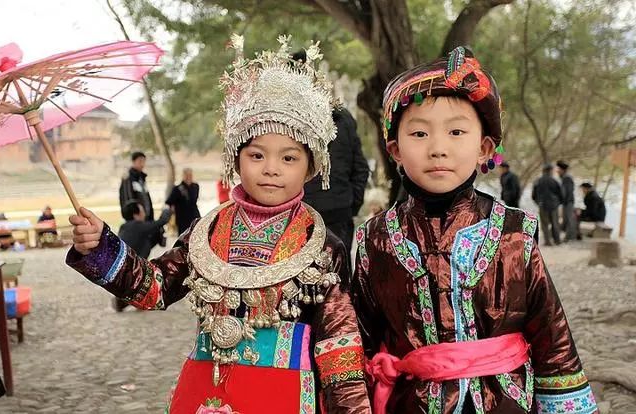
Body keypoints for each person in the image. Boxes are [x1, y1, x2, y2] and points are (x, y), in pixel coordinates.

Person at [66, 35, 369, 413]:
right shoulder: (206, 233)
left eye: (289, 158)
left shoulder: (323, 246)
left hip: (285, 395)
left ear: (311, 168)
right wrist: (98, 245)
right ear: (235, 161)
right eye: (256, 154)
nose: (271, 168)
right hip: (205, 393)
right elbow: (153, 288)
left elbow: (340, 345)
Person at [352, 47, 596, 414]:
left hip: (504, 403)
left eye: (456, 131)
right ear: (395, 149)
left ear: (484, 148)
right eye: (418, 133)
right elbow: (361, 338)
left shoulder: (513, 233)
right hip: (411, 404)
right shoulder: (376, 239)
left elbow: (551, 334)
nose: (438, 148)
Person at [292, 50, 370, 257]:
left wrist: (349, 204)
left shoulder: (339, 118)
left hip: (306, 213)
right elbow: (361, 169)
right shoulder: (343, 115)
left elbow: (359, 167)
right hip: (332, 210)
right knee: (337, 278)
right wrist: (352, 203)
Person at [112, 201, 172, 312]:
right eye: (142, 210)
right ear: (136, 214)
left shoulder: (125, 227)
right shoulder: (137, 226)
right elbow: (162, 221)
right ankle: (124, 302)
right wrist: (167, 209)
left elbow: (144, 243)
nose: (144, 213)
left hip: (125, 270)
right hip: (133, 271)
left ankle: (123, 301)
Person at [532, 164, 563, 246]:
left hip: (542, 205)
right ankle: (557, 240)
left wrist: (538, 202)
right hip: (553, 205)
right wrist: (557, 203)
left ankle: (548, 241)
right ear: (550, 171)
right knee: (555, 223)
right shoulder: (554, 181)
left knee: (545, 224)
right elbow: (560, 194)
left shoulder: (538, 181)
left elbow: (533, 195)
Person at [166, 168, 201, 235]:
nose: (188, 177)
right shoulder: (177, 188)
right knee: (183, 238)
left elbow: (194, 200)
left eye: (190, 175)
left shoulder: (195, 186)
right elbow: (169, 201)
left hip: (194, 215)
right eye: (186, 175)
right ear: (183, 176)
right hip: (182, 218)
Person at [556, 160, 578, 242]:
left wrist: (563, 201)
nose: (557, 171)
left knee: (569, 220)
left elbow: (567, 192)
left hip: (568, 202)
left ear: (562, 170)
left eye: (559, 169)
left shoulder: (567, 178)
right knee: (566, 219)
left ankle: (570, 237)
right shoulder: (564, 177)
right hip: (566, 202)